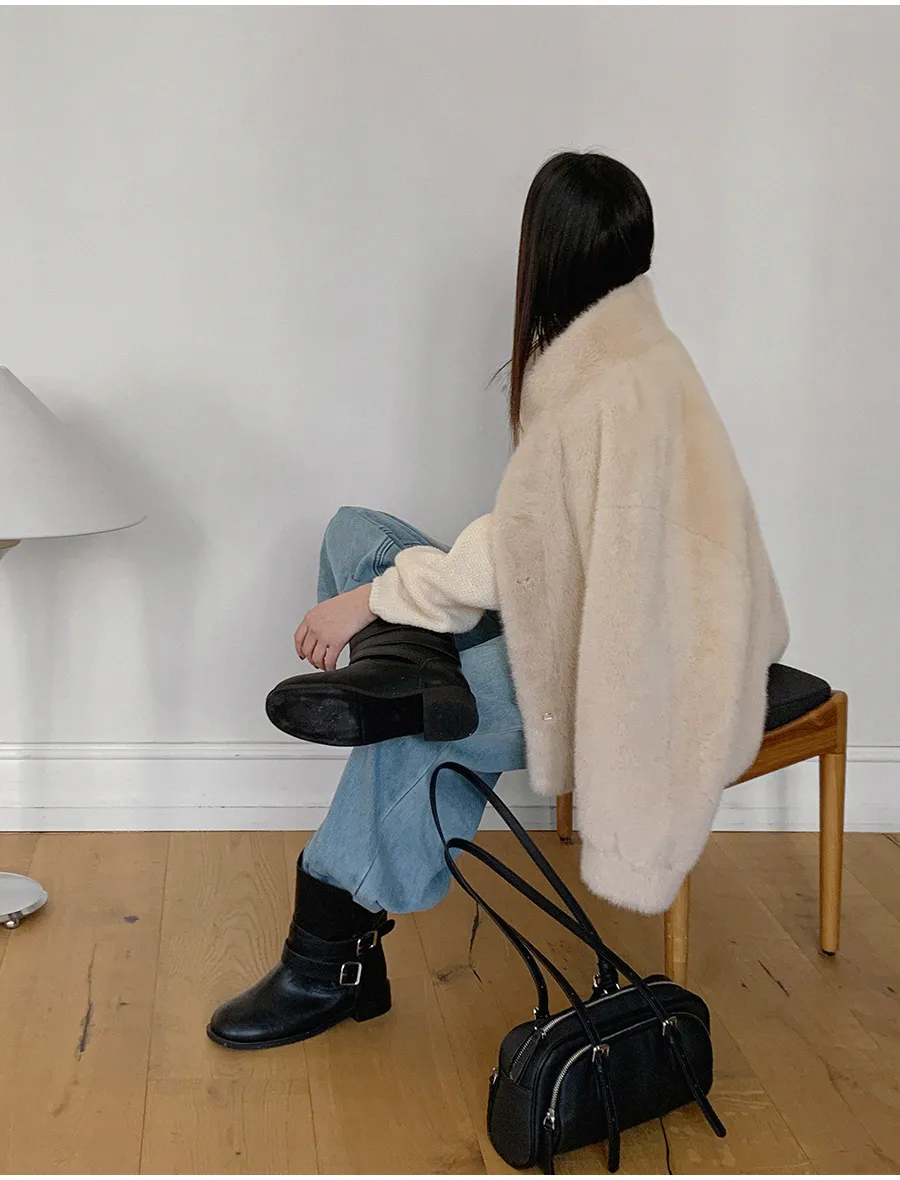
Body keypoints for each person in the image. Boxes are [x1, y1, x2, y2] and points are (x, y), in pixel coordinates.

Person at [207, 151, 789, 1051]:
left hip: (637, 674)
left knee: (416, 727)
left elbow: (523, 546)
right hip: (584, 617)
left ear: (544, 250)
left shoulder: (615, 383)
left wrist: (372, 601)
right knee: (356, 531)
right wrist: (389, 590)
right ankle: (416, 673)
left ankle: (330, 963)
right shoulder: (625, 350)